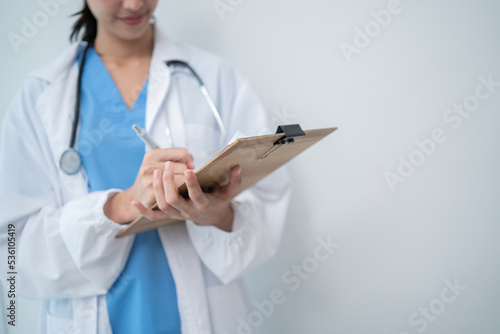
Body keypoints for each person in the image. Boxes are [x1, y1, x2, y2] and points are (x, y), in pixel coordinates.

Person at [0, 0, 291, 333]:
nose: (135, 4)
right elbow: (11, 253)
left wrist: (218, 214)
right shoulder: (41, 96)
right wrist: (119, 207)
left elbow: (267, 203)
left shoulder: (215, 77)